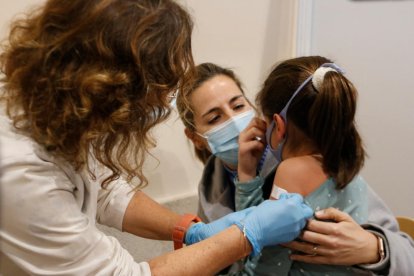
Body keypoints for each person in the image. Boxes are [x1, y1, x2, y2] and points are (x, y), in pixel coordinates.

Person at [0, 1, 314, 275]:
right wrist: (246, 235)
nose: (163, 102)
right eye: (158, 87)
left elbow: (106, 189)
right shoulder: (18, 169)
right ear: (109, 83)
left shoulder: (61, 104)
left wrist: (190, 231)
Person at [177, 61, 414, 275]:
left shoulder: (295, 169)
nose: (233, 120)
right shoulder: (210, 184)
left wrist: (374, 248)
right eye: (214, 118)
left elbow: (407, 253)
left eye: (238, 106)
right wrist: (247, 177)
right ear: (195, 137)